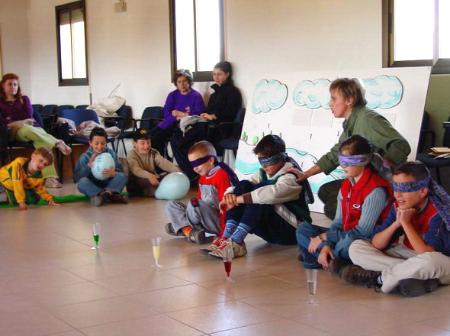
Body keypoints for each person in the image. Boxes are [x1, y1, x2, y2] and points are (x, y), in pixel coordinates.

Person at [290, 78, 410, 219]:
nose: (330, 104)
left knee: (332, 208)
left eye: (334, 99)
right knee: (325, 191)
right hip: (362, 180)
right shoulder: (352, 122)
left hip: (374, 184)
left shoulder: (368, 120)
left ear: (350, 100)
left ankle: (372, 223)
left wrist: (383, 173)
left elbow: (401, 146)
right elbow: (335, 154)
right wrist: (306, 174)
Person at [343, 162, 450, 297]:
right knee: (356, 247)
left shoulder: (439, 212)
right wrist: (396, 223)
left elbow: (427, 254)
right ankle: (414, 275)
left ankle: (379, 279)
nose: (398, 195)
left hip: (441, 261)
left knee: (431, 262)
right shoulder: (398, 206)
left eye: (404, 189)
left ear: (423, 191)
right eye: (395, 188)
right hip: (408, 256)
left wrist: (406, 224)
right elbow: (376, 243)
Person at [297, 135, 393, 274]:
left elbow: (363, 232)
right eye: (341, 161)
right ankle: (330, 259)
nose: (343, 166)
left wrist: (325, 238)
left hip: (363, 240)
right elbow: (338, 222)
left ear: (363, 161)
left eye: (348, 162)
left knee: (346, 243)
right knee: (303, 229)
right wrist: (326, 244)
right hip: (343, 234)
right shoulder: (346, 185)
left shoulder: (376, 191)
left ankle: (318, 257)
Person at [210, 135, 312, 259]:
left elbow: (271, 194)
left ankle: (236, 242)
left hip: (293, 232)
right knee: (244, 185)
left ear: (281, 157)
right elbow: (242, 186)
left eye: (268, 162)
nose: (264, 166)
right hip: (273, 231)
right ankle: (227, 238)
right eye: (261, 161)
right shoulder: (263, 173)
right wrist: (228, 197)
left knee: (260, 195)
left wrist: (237, 200)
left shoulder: (292, 176)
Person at [170, 62, 242, 181]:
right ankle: (192, 174)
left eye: (219, 74)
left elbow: (230, 113)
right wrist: (205, 115)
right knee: (176, 138)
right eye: (214, 74)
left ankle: (192, 175)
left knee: (181, 142)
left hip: (220, 128)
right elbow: (208, 111)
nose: (216, 77)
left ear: (227, 74)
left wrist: (214, 116)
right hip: (207, 125)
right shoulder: (215, 94)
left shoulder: (233, 92)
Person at [0, 73, 72, 188]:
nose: (13, 87)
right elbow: (4, 124)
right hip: (14, 133)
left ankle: (49, 178)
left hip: (33, 130)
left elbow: (28, 117)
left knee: (42, 144)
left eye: (15, 84)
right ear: (3, 86)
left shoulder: (24, 99)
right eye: (9, 84)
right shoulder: (1, 103)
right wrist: (19, 123)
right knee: (27, 129)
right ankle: (57, 142)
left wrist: (15, 122)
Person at [164, 140, 239, 244]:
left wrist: (224, 234)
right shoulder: (202, 178)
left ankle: (183, 227)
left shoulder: (221, 175)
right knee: (171, 205)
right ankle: (189, 231)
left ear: (211, 160)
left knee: (195, 204)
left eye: (198, 163)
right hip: (203, 219)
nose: (195, 168)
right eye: (192, 165)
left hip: (218, 222)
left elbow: (227, 207)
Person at [150, 69, 205, 155]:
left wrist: (182, 114)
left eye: (184, 81)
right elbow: (166, 112)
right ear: (176, 83)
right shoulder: (172, 95)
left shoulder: (196, 96)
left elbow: (199, 114)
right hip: (170, 123)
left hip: (185, 126)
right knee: (152, 136)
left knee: (177, 142)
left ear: (189, 82)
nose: (182, 84)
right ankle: (161, 161)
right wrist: (177, 117)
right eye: (179, 82)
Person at [74, 127, 128, 206]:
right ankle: (108, 195)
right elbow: (78, 177)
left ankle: (102, 196)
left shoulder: (111, 153)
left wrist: (114, 173)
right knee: (82, 183)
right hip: (93, 184)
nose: (99, 147)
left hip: (109, 183)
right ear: (90, 143)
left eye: (102, 143)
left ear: (106, 143)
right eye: (96, 143)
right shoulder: (85, 156)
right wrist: (88, 166)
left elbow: (120, 170)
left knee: (123, 176)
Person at [126, 127, 181, 197]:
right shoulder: (132, 154)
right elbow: (136, 170)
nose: (146, 146)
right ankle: (159, 191)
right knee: (147, 183)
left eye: (148, 142)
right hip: (138, 180)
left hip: (153, 178)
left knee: (169, 176)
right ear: (134, 143)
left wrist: (178, 171)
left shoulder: (153, 152)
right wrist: (149, 176)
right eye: (142, 143)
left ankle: (162, 189)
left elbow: (163, 162)